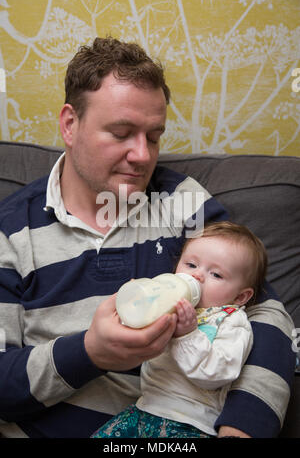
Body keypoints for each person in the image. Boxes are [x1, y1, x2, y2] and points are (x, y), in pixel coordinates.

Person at [0, 37, 295, 438]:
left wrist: (243, 427)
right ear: (70, 124)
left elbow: (266, 310)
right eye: (122, 133)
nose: (142, 155)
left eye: (153, 136)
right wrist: (88, 352)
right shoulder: (11, 233)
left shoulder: (182, 202)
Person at [92, 221, 267, 438]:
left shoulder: (232, 322)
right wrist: (137, 305)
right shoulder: (169, 303)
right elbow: (133, 344)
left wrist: (188, 334)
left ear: (241, 296)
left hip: (190, 423)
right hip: (144, 408)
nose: (197, 276)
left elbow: (216, 373)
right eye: (191, 265)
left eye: (216, 275)